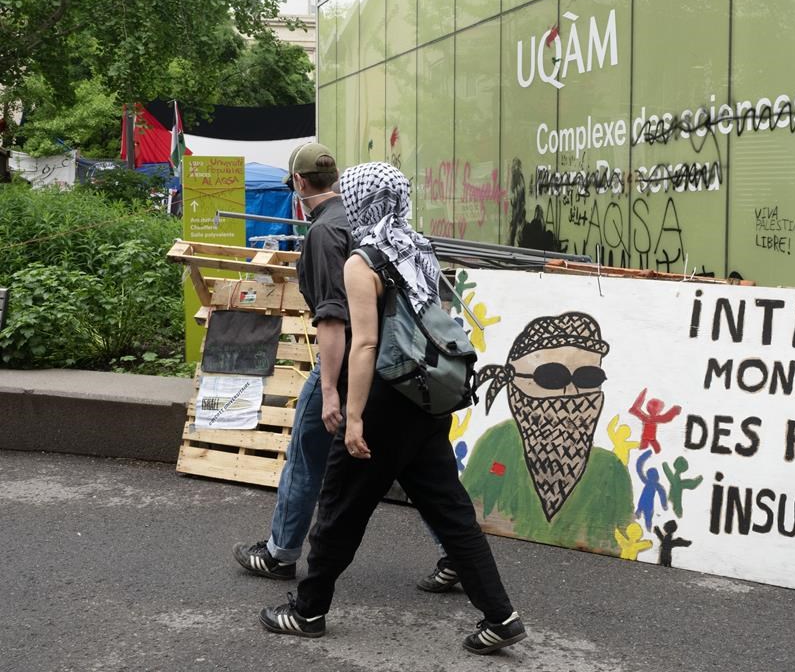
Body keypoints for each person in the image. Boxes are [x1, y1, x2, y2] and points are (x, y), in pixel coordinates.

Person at [258, 162, 527, 655]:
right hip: (426, 397)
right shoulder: (418, 247)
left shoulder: (363, 262)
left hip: (384, 399)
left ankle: (308, 611)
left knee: (340, 509)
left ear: (359, 200)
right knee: (452, 514)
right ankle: (501, 617)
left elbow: (365, 346)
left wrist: (353, 415)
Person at [231, 142, 351, 579]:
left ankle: (280, 553)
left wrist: (330, 389)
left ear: (299, 182)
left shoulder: (322, 233)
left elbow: (333, 317)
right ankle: (452, 552)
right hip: (381, 356)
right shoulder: (359, 218)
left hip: (343, 359)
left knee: (305, 455)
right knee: (414, 464)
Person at [462, 312, 634, 555]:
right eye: (551, 377)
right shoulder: (497, 442)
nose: (572, 393)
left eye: (589, 377)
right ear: (514, 382)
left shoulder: (610, 469)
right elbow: (464, 515)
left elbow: (623, 539)